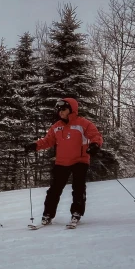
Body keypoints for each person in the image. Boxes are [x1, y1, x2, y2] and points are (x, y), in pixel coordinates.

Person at [25, 97, 103, 227]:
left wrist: (95, 145)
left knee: (78, 188)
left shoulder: (83, 124)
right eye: (59, 109)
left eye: (63, 109)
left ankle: (76, 213)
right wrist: (35, 145)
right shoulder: (56, 127)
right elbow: (47, 140)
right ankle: (48, 214)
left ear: (71, 110)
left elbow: (96, 135)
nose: (60, 112)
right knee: (54, 190)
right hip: (61, 162)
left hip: (80, 160)